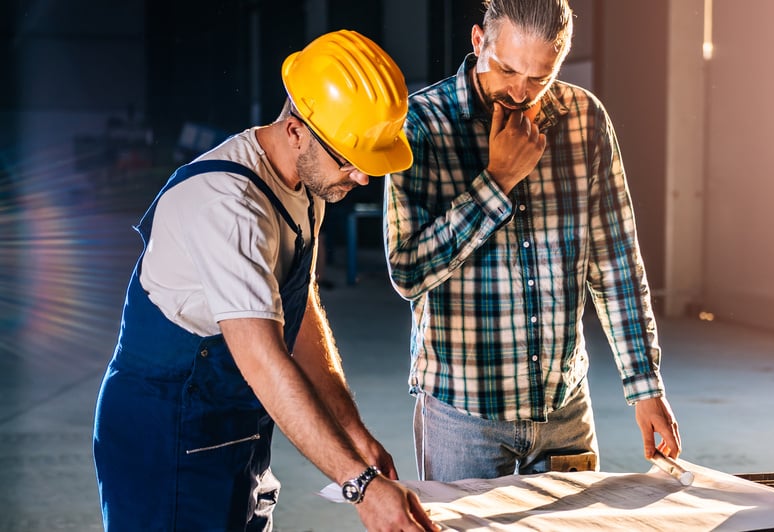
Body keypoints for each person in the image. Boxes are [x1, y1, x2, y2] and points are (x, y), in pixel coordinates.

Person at [93, 30, 437, 531]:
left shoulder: (310, 181)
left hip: (237, 431)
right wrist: (359, 485)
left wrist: (352, 434)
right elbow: (263, 359)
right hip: (165, 435)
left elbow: (299, 313)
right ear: (295, 130)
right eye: (348, 159)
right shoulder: (227, 206)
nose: (361, 177)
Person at [385, 0, 682, 482]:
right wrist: (497, 181)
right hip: (464, 414)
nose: (520, 92)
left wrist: (645, 386)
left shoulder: (584, 119)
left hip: (564, 411)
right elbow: (408, 271)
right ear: (479, 42)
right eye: (507, 69)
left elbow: (616, 265)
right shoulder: (421, 124)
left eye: (539, 78)